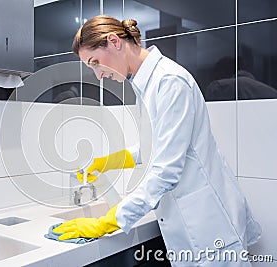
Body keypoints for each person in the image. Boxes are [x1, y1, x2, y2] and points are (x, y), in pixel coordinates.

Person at [53, 15, 261, 266]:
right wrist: (106, 162)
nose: (98, 75)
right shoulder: (147, 84)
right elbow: (153, 148)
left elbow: (166, 170)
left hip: (209, 225)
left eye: (95, 62)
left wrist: (106, 222)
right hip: (191, 224)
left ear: (114, 41)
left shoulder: (169, 82)